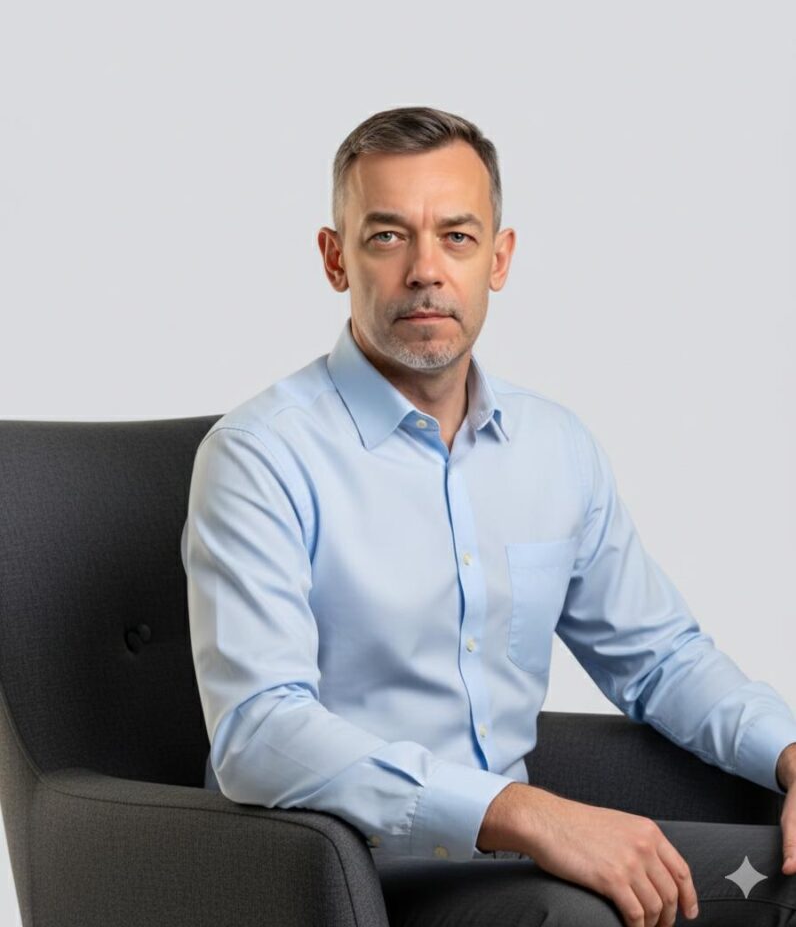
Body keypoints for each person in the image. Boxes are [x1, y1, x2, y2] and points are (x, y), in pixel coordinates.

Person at [181, 105, 796, 926]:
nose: (426, 271)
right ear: (335, 259)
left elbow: (661, 660)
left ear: (498, 259)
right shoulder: (260, 456)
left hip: (521, 867)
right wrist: (521, 811)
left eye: (457, 237)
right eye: (387, 236)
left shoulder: (555, 448)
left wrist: (790, 755)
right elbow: (259, 733)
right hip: (351, 876)